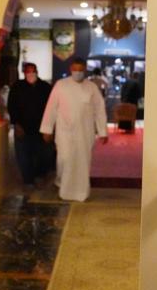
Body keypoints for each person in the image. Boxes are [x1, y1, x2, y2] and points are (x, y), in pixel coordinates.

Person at [40, 58, 108, 202]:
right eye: (75, 69)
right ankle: (61, 184)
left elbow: (99, 110)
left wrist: (102, 131)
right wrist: (47, 128)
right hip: (65, 131)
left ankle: (81, 192)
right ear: (71, 69)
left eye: (80, 69)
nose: (77, 72)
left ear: (85, 70)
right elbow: (51, 107)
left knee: (82, 162)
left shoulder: (91, 87)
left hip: (85, 132)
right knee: (64, 159)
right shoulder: (61, 85)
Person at [7, 62, 53, 187]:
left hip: (41, 127)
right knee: (23, 155)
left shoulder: (45, 87)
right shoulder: (17, 87)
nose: (31, 74)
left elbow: (51, 108)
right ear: (24, 73)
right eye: (28, 71)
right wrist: (16, 124)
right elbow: (11, 106)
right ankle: (28, 180)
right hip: (23, 127)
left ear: (37, 72)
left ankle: (40, 176)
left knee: (43, 154)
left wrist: (49, 127)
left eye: (33, 71)